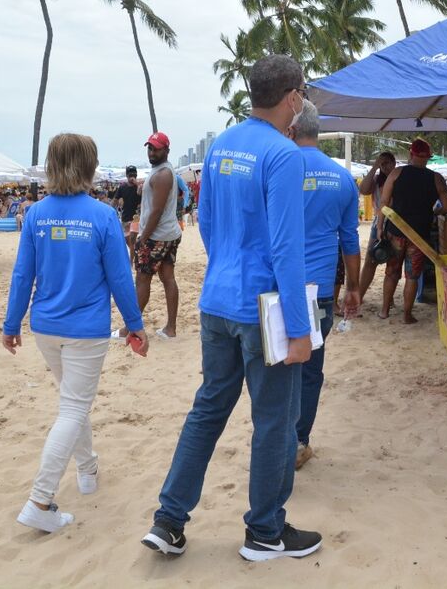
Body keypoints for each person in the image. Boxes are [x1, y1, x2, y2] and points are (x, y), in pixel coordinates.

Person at [143, 54, 321, 562]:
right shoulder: (283, 155)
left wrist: (226, 273)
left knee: (208, 409)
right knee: (275, 420)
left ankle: (169, 519)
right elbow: (288, 249)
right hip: (261, 307)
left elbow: (211, 223)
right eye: (302, 95)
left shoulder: (222, 146)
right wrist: (300, 326)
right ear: (291, 98)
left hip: (218, 299)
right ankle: (265, 531)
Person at [2, 133, 148, 534]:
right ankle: (40, 499)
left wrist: (12, 324)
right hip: (84, 328)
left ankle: (87, 470)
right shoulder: (101, 216)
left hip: (46, 326)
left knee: (73, 401)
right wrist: (135, 326)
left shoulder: (36, 214)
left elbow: (22, 275)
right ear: (88, 165)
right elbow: (120, 277)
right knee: (72, 407)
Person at [289, 100, 361, 470]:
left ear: (290, 128)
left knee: (275, 369)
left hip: (277, 290)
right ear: (319, 132)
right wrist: (353, 287)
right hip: (319, 293)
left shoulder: (279, 168)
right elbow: (350, 240)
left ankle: (276, 439)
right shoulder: (342, 177)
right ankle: (299, 441)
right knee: (310, 370)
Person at [377, 139, 447, 323]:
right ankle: (407, 315)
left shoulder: (396, 173)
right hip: (419, 235)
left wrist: (379, 227)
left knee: (392, 272)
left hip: (395, 231)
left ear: (411, 154)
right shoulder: (436, 178)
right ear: (427, 157)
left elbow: (384, 203)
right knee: (412, 276)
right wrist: (435, 212)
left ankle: (385, 311)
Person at [134, 131, 183, 340]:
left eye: (156, 149)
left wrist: (143, 237)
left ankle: (131, 327)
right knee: (167, 278)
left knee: (143, 279)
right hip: (169, 233)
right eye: (150, 148)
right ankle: (170, 328)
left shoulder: (162, 174)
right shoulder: (161, 172)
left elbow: (157, 211)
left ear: (167, 151)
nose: (152, 152)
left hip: (157, 236)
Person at [356, 151, 397, 309]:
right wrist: (374, 166)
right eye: (383, 164)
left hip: (396, 224)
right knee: (371, 261)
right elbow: (364, 190)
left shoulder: (399, 177)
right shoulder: (376, 179)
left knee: (393, 265)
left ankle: (389, 299)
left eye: (388, 163)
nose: (386, 166)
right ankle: (359, 296)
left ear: (394, 163)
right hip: (378, 223)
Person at [114, 165, 142, 247]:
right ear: (126, 176)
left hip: (137, 218)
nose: (132, 177)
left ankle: (132, 259)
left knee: (133, 240)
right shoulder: (122, 187)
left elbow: (146, 195)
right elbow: (115, 200)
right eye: (130, 175)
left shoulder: (140, 186)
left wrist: (136, 183)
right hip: (125, 218)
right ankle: (134, 257)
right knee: (129, 242)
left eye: (134, 175)